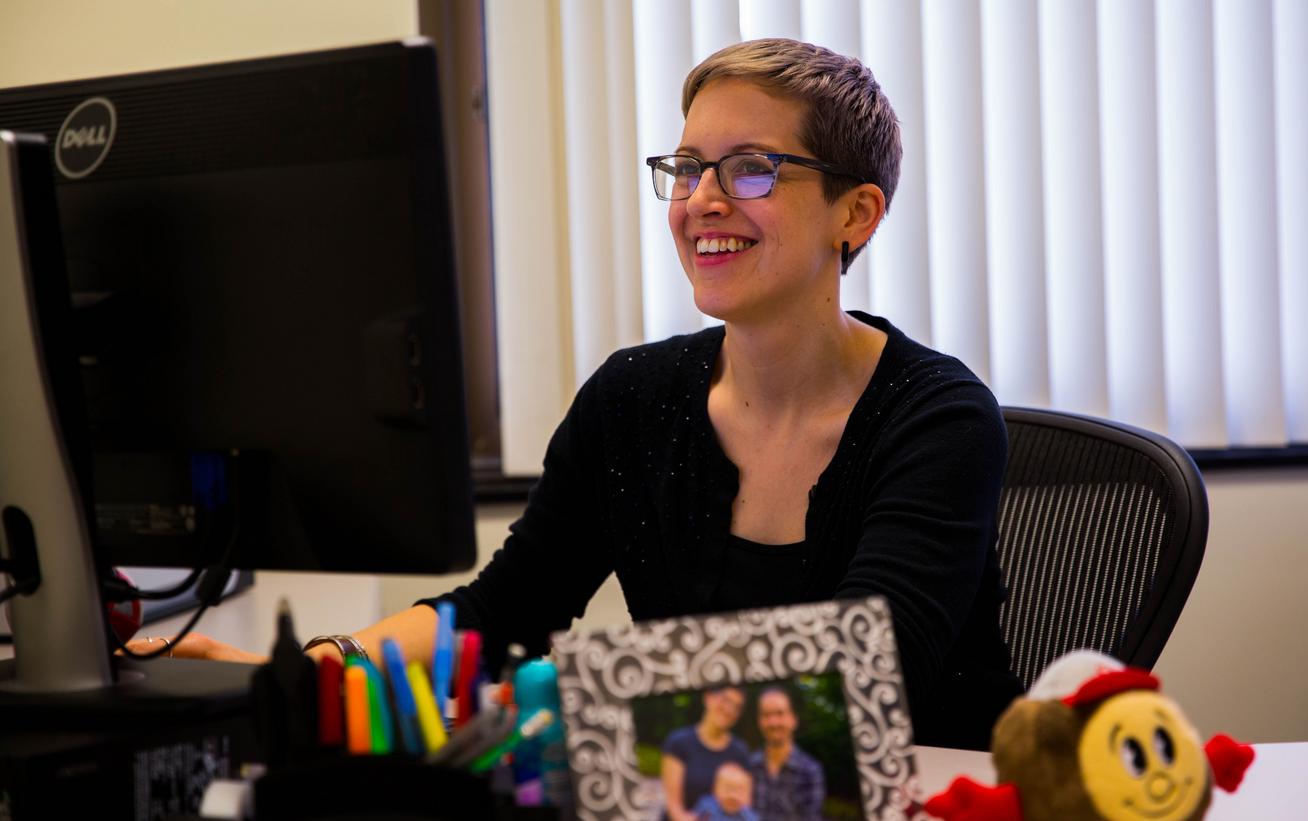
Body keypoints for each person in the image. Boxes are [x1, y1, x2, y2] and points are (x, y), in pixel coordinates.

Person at [146, 37, 1022, 751]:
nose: (701, 200)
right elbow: (502, 613)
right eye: (687, 168)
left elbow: (858, 677)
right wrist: (309, 673)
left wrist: (572, 711)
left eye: (750, 168)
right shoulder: (634, 399)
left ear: (856, 213)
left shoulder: (938, 417)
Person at [661, 687, 753, 821]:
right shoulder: (678, 743)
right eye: (725, 700)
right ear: (708, 697)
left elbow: (745, 805)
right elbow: (674, 807)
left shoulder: (741, 751)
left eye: (737, 707)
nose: (729, 710)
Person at [747, 687, 824, 821]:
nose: (773, 722)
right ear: (759, 721)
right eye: (766, 715)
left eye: (780, 713)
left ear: (793, 719)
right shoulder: (749, 766)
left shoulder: (810, 771)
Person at [691, 762, 759, 821]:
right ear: (716, 789)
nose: (733, 795)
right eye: (728, 788)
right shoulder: (706, 808)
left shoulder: (749, 817)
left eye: (739, 790)